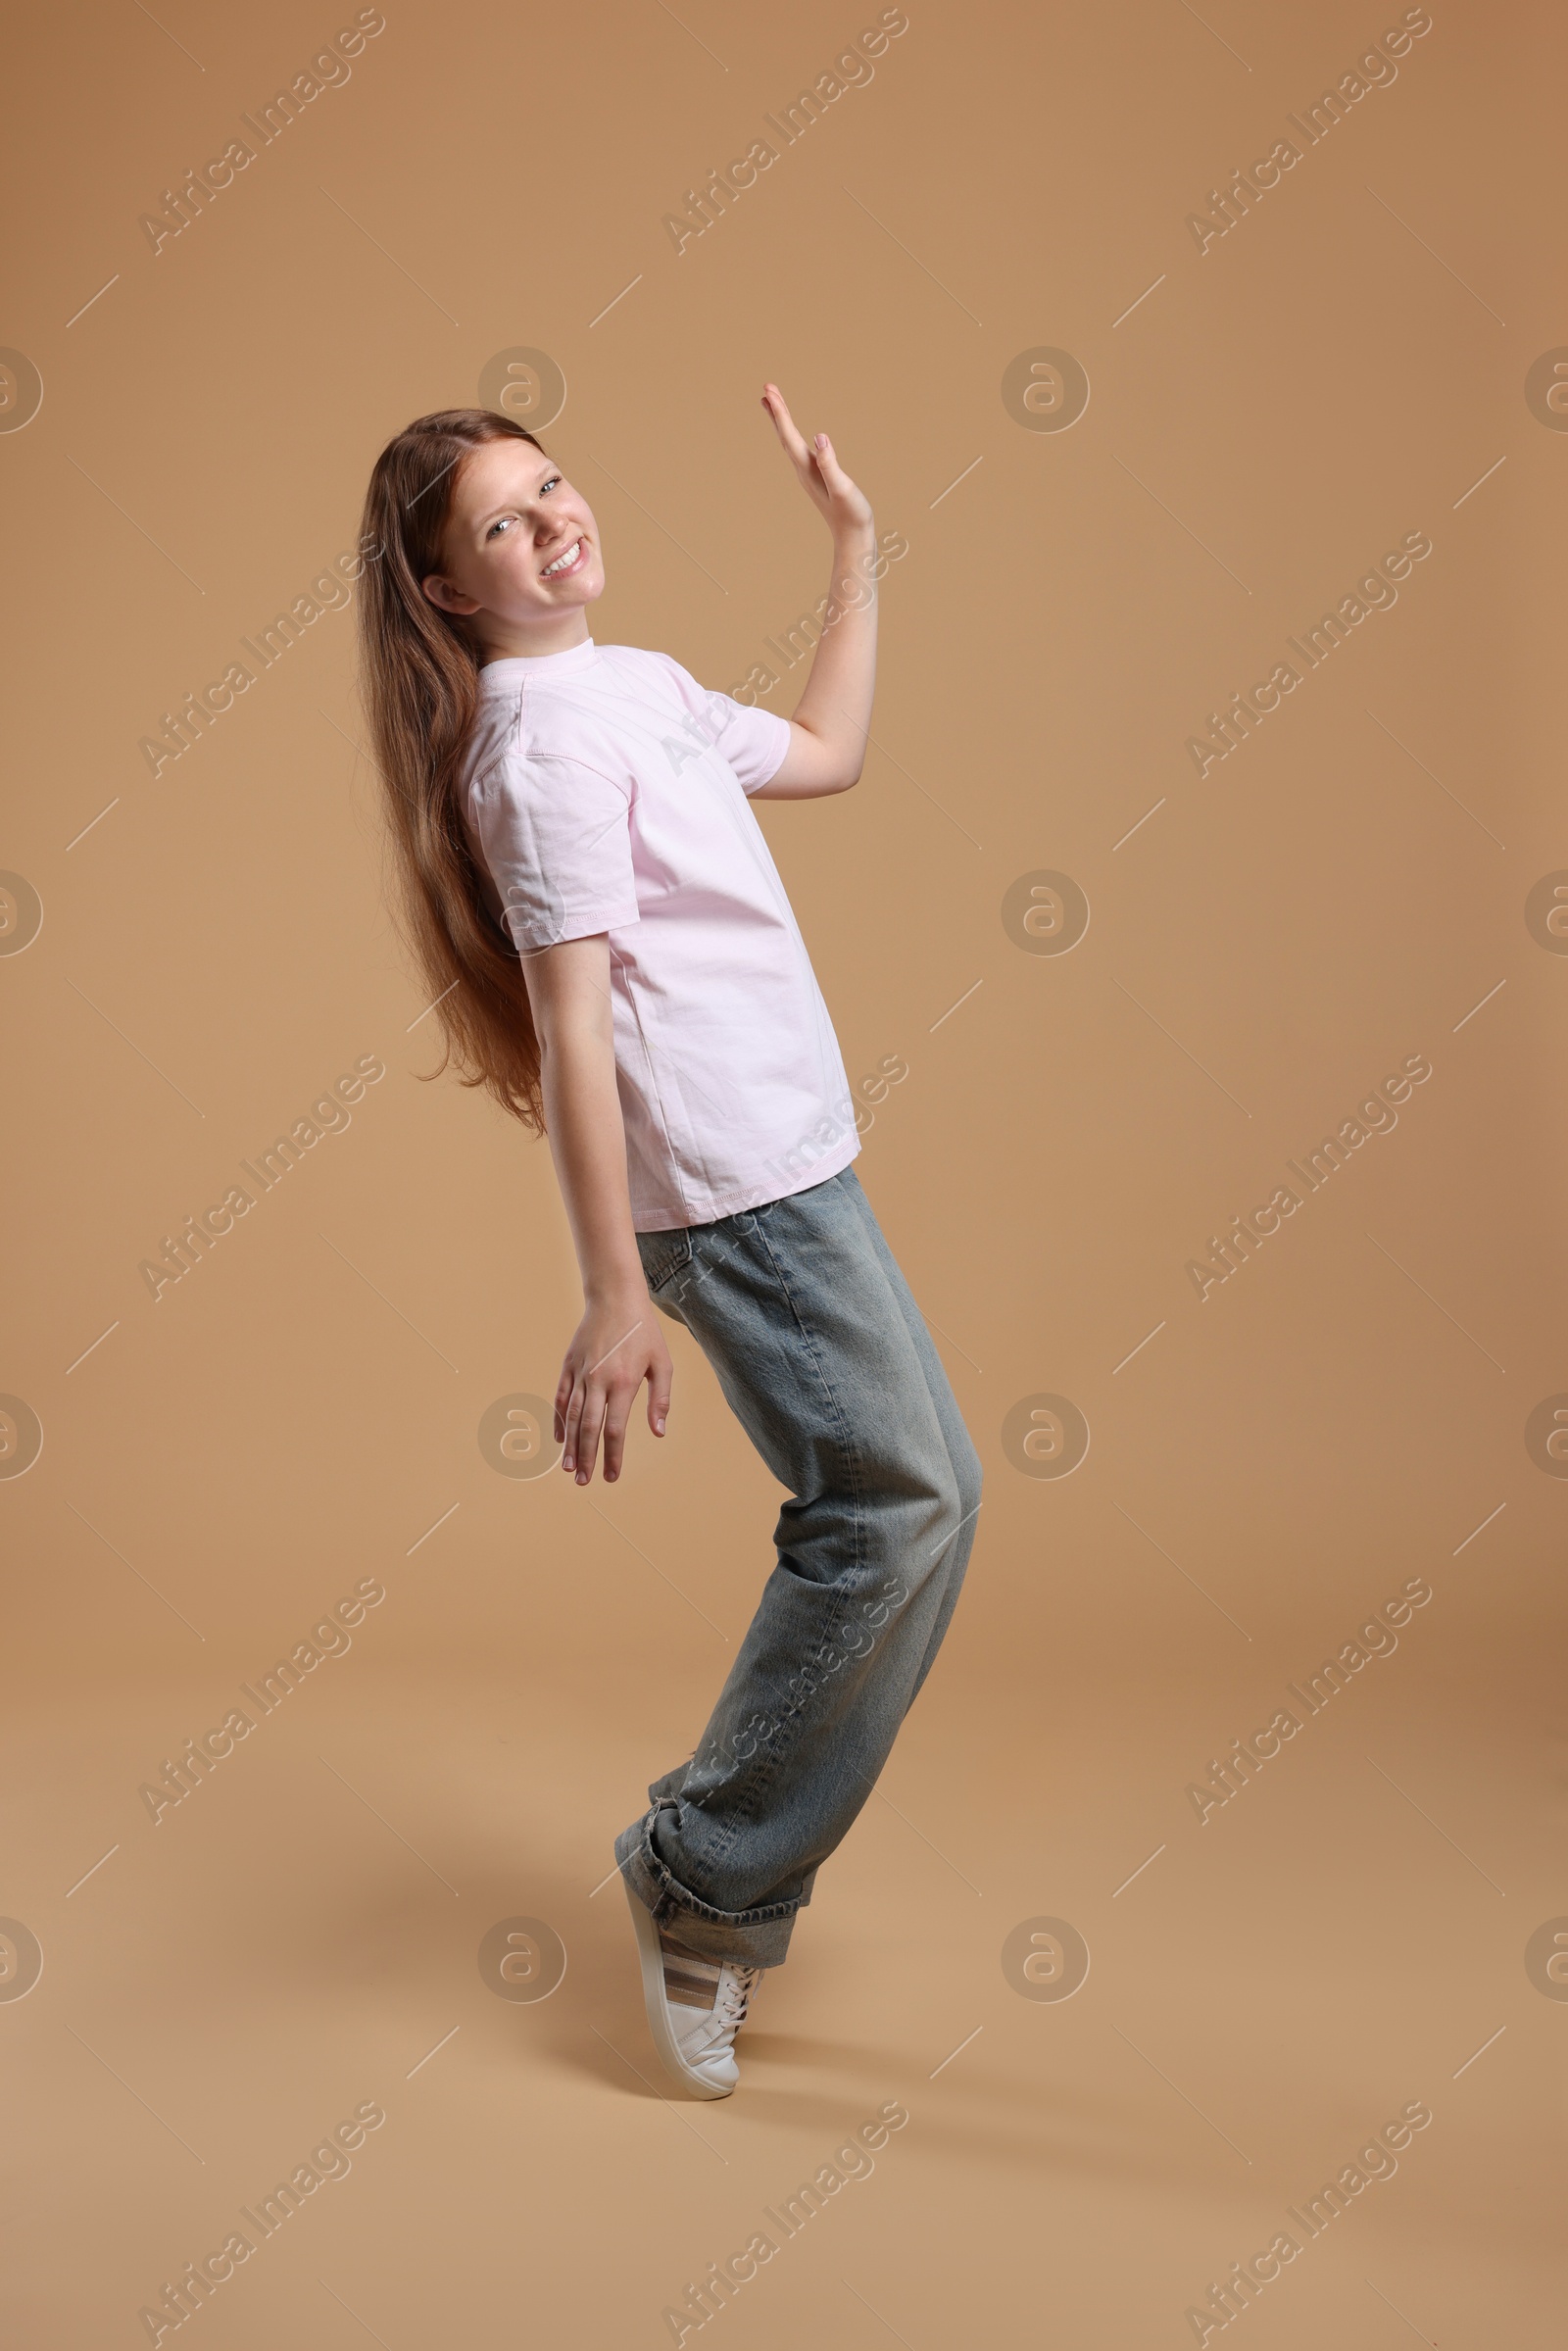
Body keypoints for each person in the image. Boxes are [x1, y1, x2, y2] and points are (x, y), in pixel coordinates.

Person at [355, 390, 981, 2098]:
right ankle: (702, 1880)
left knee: (926, 1498)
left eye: (550, 487)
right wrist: (614, 1291)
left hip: (800, 1153)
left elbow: (827, 755)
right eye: (503, 523)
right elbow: (570, 1034)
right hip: (725, 1190)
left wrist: (852, 545)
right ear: (452, 592)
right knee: (894, 1508)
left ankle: (712, 1864)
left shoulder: (628, 687)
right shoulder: (537, 746)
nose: (554, 523)